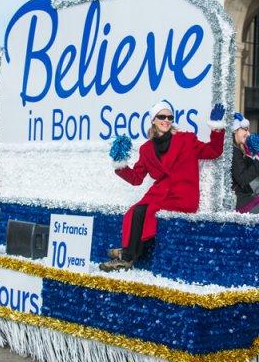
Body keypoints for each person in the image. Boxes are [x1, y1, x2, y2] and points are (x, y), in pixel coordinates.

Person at [99, 100, 225, 272]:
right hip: (159, 194)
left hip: (182, 196)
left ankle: (126, 257)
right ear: (153, 120)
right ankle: (127, 253)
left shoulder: (186, 139)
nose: (166, 120)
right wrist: (120, 163)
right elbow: (136, 178)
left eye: (169, 117)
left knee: (145, 211)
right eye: (162, 116)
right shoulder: (146, 149)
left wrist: (216, 128)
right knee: (133, 211)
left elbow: (213, 151)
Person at [231, 113, 259, 213]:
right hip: (239, 201)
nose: (248, 133)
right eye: (245, 129)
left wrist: (251, 154)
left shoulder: (237, 149)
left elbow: (245, 170)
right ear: (235, 130)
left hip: (244, 197)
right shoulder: (233, 151)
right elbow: (243, 179)